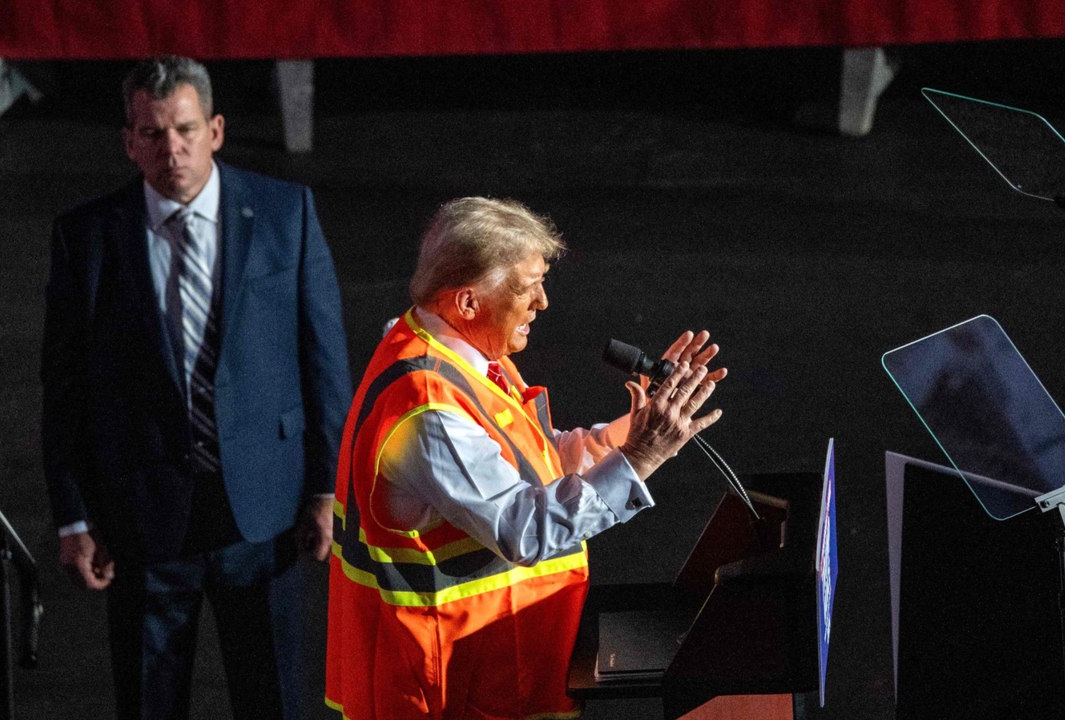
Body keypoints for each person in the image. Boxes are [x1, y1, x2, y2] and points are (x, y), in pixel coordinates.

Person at [325, 197, 725, 719]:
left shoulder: (462, 356)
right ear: (468, 302)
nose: (542, 303)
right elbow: (523, 528)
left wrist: (634, 435)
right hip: (452, 690)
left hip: (491, 671)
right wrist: (640, 460)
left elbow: (539, 459)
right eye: (526, 286)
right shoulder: (428, 405)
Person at [40, 55, 352, 719]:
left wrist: (327, 488)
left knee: (271, 701)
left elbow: (323, 361)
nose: (171, 150)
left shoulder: (284, 212)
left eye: (184, 130)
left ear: (215, 129)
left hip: (263, 514)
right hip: (143, 518)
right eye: (152, 134)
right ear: (129, 141)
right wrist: (73, 516)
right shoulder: (87, 237)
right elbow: (63, 389)